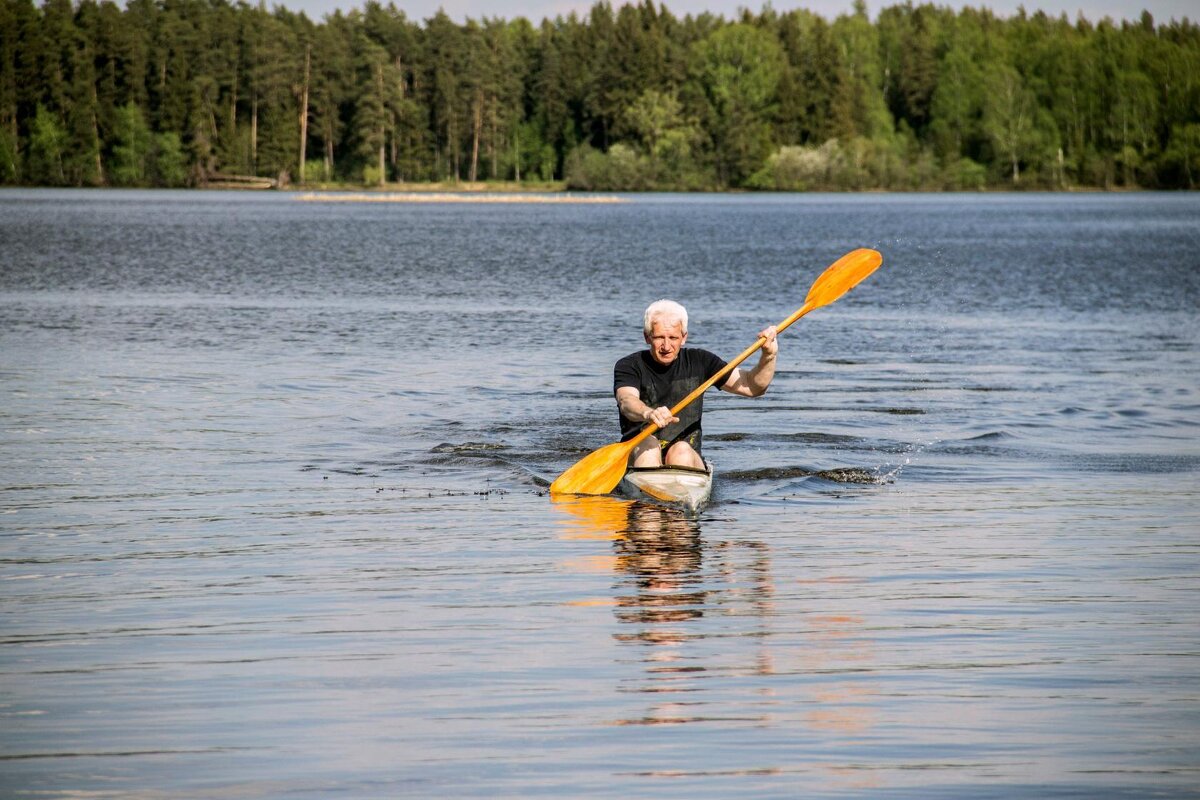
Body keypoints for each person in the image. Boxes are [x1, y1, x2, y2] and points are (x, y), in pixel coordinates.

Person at [614, 299, 778, 470]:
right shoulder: (629, 365)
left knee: (681, 451)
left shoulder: (701, 361)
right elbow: (626, 401)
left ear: (684, 337)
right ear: (647, 337)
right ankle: (648, 493)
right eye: (659, 337)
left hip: (686, 456)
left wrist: (768, 356)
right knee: (648, 445)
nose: (666, 346)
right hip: (639, 451)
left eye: (673, 338)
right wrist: (648, 413)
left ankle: (674, 492)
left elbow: (753, 387)